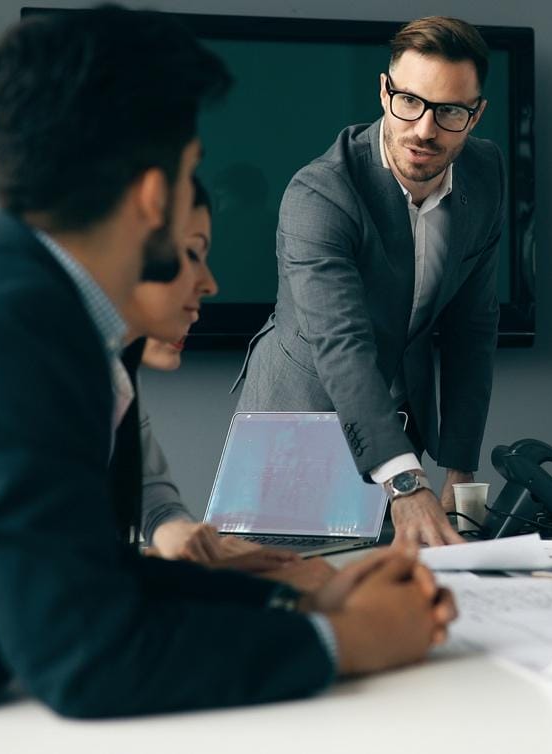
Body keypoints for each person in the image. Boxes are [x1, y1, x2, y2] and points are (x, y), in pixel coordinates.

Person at [0, 8, 454, 752]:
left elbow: (91, 583)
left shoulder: (26, 304)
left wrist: (291, 600)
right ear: (155, 194)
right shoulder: (9, 335)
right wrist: (345, 645)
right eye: (191, 173)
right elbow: (87, 658)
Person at [231, 16, 506, 547]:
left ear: (476, 115)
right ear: (384, 91)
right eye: (409, 101)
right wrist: (405, 482)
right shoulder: (320, 194)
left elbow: (473, 325)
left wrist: (458, 468)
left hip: (402, 426)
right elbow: (342, 344)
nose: (425, 129)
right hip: (299, 432)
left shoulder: (486, 171)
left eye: (449, 111)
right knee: (297, 603)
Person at [116, 177, 325, 585]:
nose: (210, 284)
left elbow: (150, 496)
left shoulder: (115, 379)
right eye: (191, 254)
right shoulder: (41, 383)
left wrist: (189, 540)